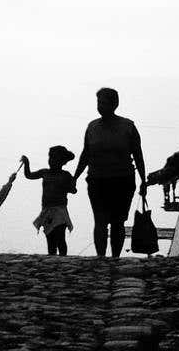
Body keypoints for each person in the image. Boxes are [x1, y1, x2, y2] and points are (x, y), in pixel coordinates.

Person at [73, 87, 147, 259]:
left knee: (117, 221)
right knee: (99, 220)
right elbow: (86, 154)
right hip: (97, 180)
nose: (100, 106)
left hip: (123, 180)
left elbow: (138, 154)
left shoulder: (128, 127)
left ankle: (115, 257)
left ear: (114, 104)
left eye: (104, 103)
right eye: (99, 103)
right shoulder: (92, 127)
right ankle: (101, 257)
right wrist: (75, 177)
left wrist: (144, 181)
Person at [22, 146, 76, 255]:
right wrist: (26, 163)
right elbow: (29, 175)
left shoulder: (65, 175)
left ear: (62, 162)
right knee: (50, 237)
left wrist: (67, 186)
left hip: (59, 211)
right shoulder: (44, 172)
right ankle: (52, 257)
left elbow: (73, 190)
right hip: (46, 210)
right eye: (50, 158)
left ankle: (63, 258)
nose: (51, 161)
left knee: (60, 237)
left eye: (55, 159)